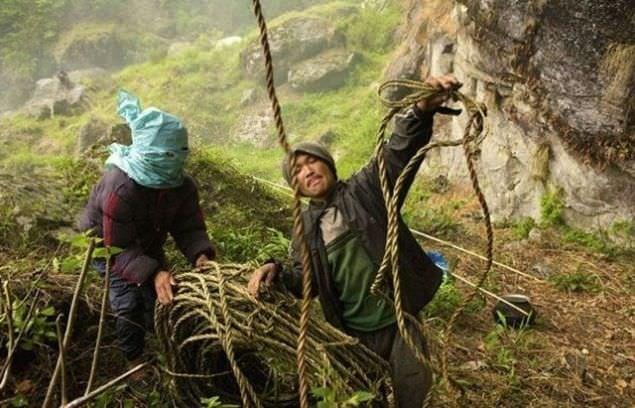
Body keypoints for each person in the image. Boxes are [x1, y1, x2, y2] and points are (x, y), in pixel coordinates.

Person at [248, 74, 461, 407]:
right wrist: (273, 270)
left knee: (413, 392)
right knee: (363, 399)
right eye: (297, 170)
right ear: (295, 187)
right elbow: (304, 281)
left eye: (312, 161)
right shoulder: (304, 229)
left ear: (329, 166)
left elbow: (396, 152)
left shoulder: (366, 190)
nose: (307, 170)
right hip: (354, 334)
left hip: (400, 320)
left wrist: (420, 110)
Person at [79, 90, 215, 368]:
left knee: (163, 295)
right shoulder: (120, 188)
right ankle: (135, 361)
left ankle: (165, 341)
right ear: (147, 154)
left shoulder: (181, 186)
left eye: (175, 155)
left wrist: (200, 255)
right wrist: (153, 272)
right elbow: (118, 246)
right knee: (128, 301)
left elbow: (188, 226)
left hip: (147, 237)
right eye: (163, 157)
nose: (170, 163)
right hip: (107, 244)